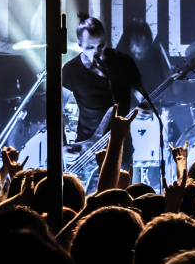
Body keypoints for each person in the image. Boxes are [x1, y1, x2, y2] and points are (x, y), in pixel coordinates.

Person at [61, 15, 145, 170]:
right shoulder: (71, 70)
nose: (97, 52)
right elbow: (55, 111)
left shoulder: (123, 62)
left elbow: (142, 97)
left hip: (122, 149)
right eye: (90, 48)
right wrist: (62, 146)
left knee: (121, 187)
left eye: (101, 45)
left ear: (106, 40)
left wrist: (145, 107)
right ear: (79, 44)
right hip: (86, 152)